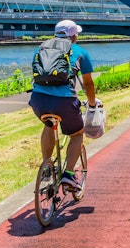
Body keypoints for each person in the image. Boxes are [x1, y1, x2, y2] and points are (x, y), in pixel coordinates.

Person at [29, 19, 97, 191]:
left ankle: (47, 166)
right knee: (77, 133)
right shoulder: (80, 51)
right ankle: (68, 174)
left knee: (49, 123)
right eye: (77, 34)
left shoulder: (41, 48)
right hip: (64, 101)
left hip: (38, 99)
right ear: (73, 36)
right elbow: (88, 84)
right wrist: (92, 103)